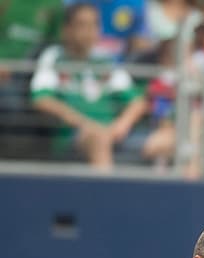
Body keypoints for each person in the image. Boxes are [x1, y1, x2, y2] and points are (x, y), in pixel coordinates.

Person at [30, 3, 148, 171]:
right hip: (74, 136)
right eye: (82, 25)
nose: (89, 31)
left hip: (113, 133)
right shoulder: (54, 57)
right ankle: (107, 193)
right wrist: (84, 124)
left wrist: (120, 126)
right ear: (67, 29)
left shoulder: (105, 60)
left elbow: (137, 102)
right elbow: (42, 99)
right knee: (97, 138)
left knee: (170, 140)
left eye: (94, 25)